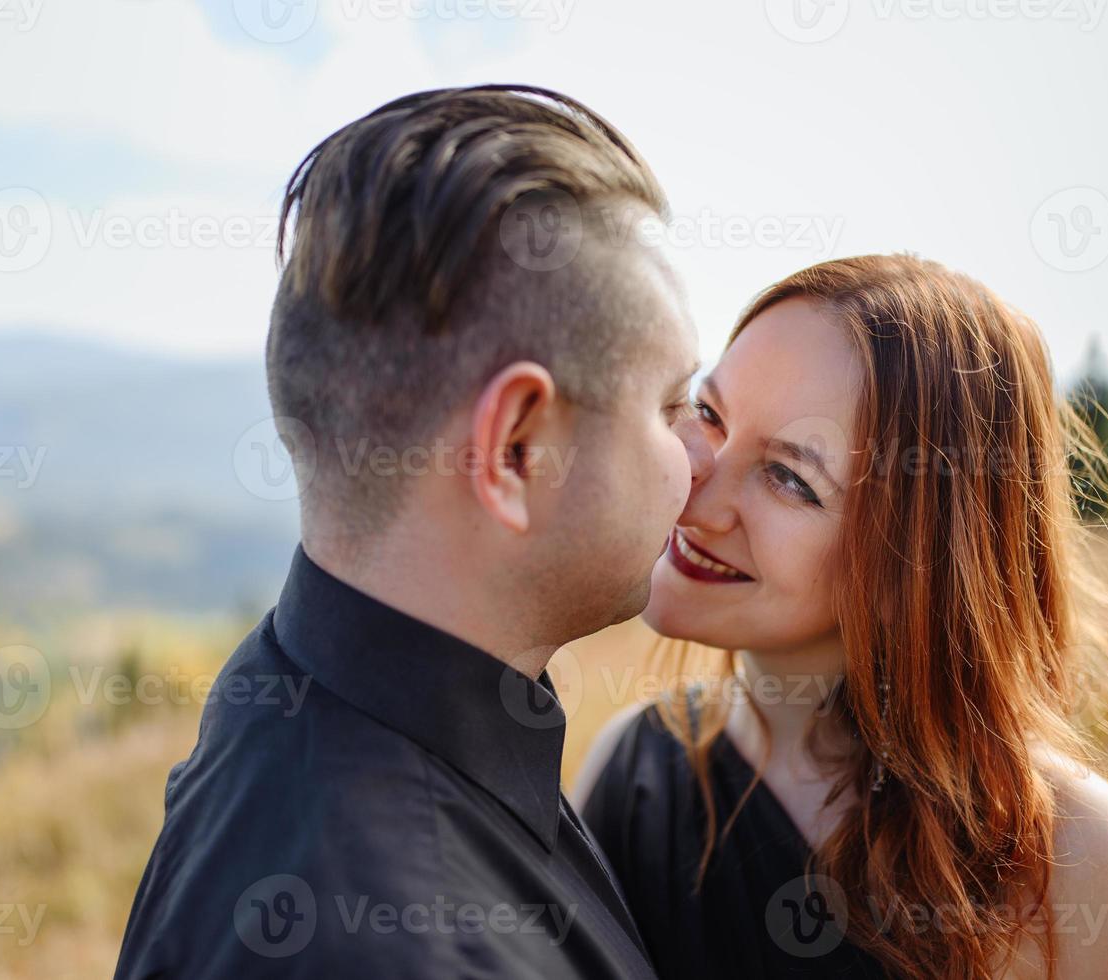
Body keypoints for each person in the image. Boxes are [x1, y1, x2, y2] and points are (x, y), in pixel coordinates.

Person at [115, 85, 700, 979]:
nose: (699, 452)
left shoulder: (290, 684)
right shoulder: (414, 949)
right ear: (515, 450)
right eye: (669, 405)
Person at [575, 255, 1108, 980]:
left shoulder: (1074, 856)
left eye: (790, 477)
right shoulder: (632, 774)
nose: (696, 491)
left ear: (920, 556)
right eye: (708, 415)